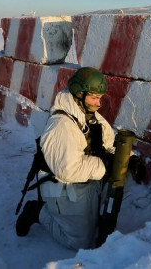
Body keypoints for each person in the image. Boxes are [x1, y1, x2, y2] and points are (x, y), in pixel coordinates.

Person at [16, 67, 115, 250]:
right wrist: (106, 165)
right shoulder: (61, 126)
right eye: (94, 97)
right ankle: (38, 212)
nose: (98, 103)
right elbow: (70, 170)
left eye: (100, 98)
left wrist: (128, 159)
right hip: (63, 187)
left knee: (94, 229)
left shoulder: (88, 115)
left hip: (87, 182)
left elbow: (109, 143)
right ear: (79, 94)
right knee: (81, 243)